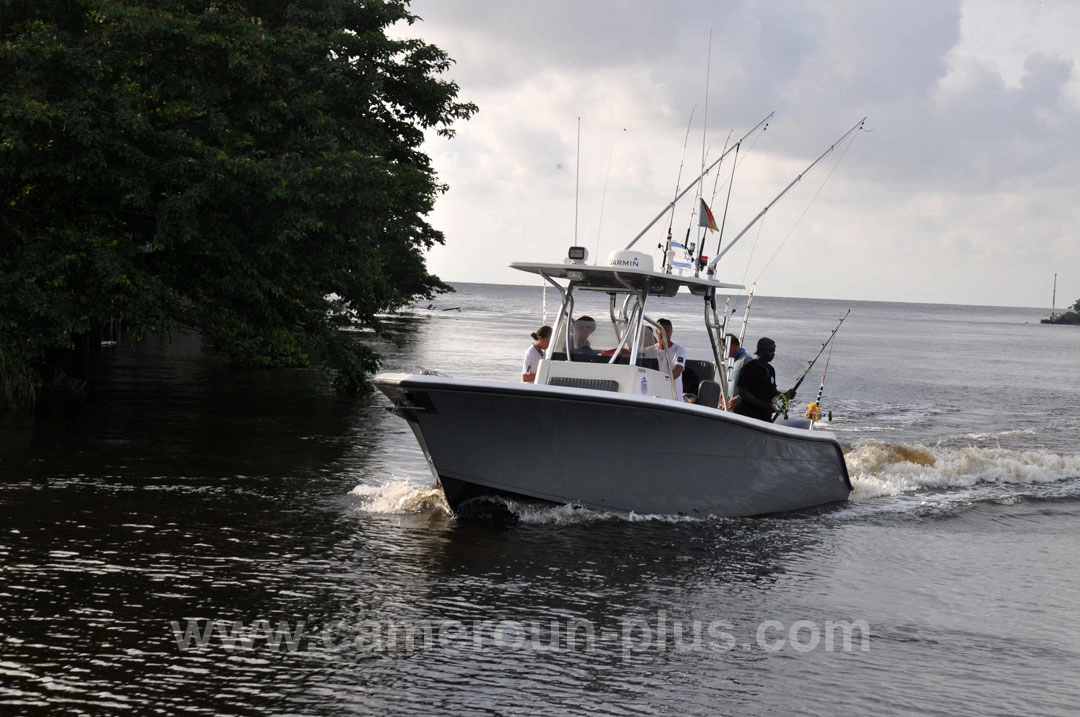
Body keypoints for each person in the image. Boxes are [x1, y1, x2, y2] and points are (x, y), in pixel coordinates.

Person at [732, 337, 796, 420]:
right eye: (770, 351)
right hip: (748, 415)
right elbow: (743, 392)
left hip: (765, 416)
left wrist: (785, 395)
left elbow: (773, 391)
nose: (773, 354)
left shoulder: (771, 370)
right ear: (761, 351)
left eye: (774, 351)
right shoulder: (749, 368)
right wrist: (762, 404)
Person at [645, 318, 686, 398]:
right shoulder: (649, 351)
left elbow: (677, 371)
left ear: (671, 332)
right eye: (662, 331)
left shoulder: (679, 350)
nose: (665, 334)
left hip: (674, 397)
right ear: (657, 331)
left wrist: (660, 381)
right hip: (653, 396)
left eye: (668, 331)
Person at [725, 334, 753, 407]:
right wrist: (724, 393)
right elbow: (731, 383)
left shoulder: (747, 360)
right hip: (730, 406)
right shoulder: (732, 362)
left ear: (731, 346)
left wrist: (738, 399)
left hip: (741, 408)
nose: (723, 351)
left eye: (724, 348)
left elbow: (753, 385)